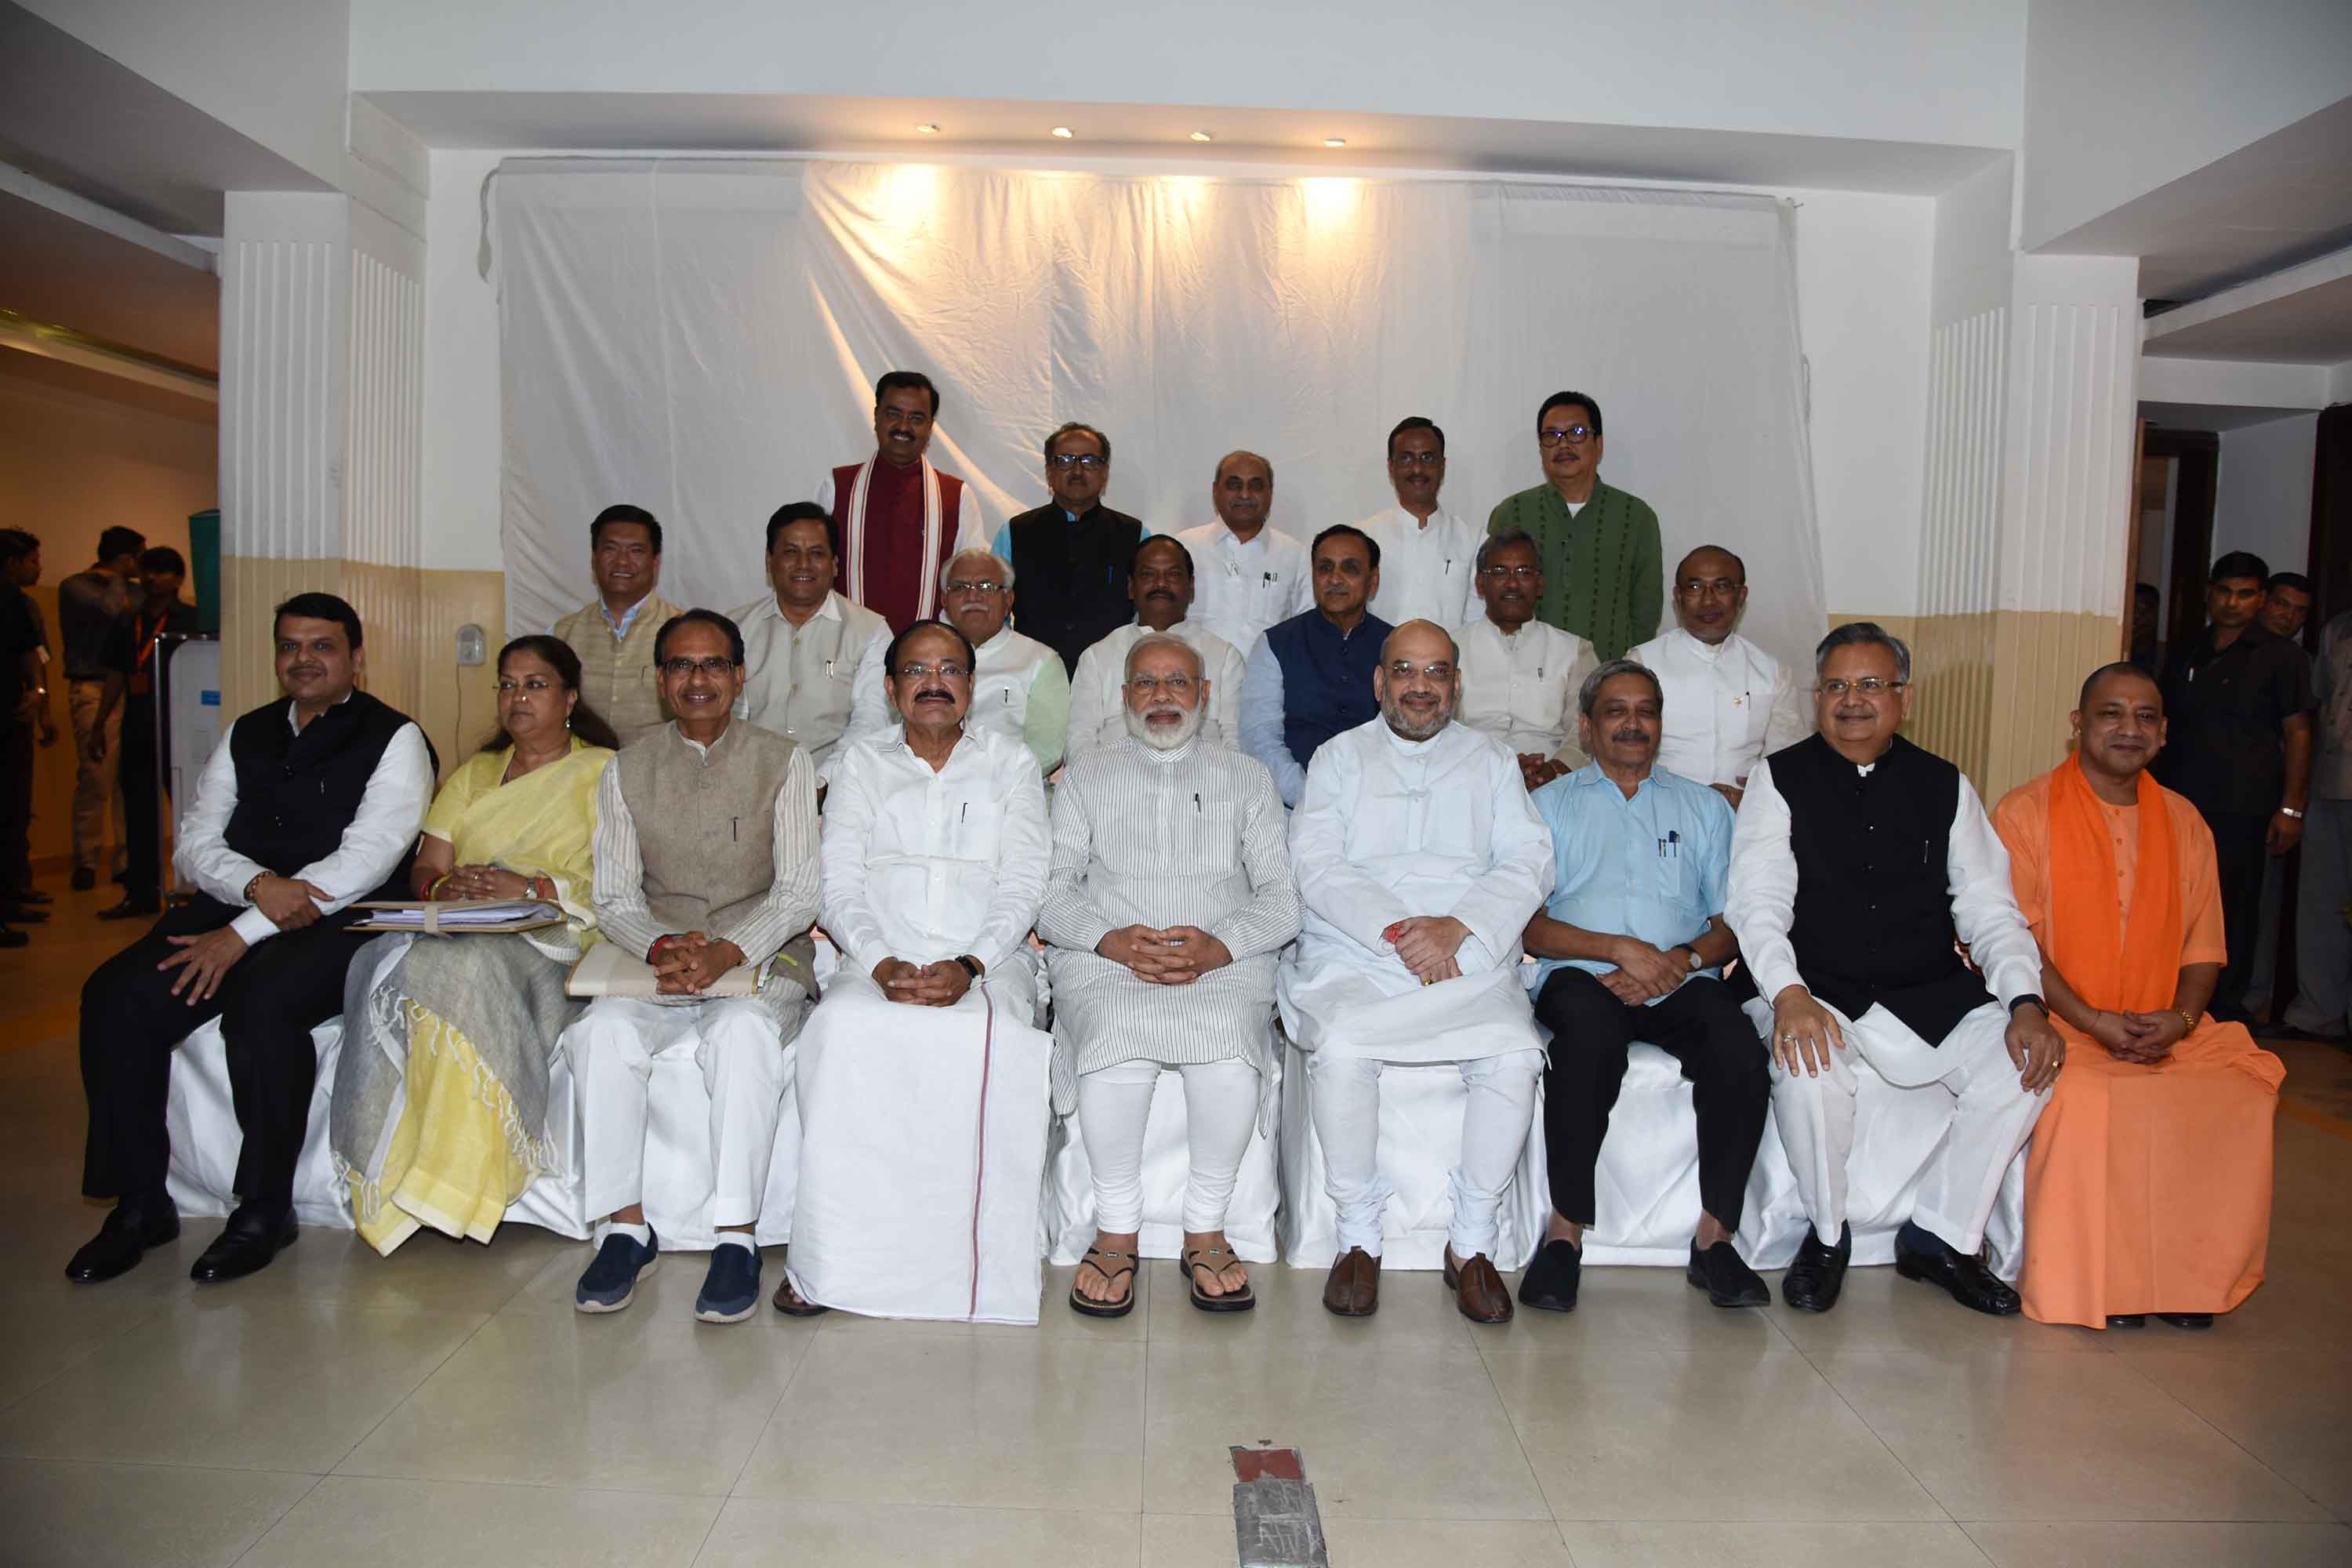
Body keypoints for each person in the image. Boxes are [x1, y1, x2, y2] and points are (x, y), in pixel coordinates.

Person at [68, 593, 433, 1285]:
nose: (305, 660)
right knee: (115, 995)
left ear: (356, 657)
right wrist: (257, 889)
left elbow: (368, 860)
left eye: (322, 646)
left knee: (264, 1004)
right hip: (238, 902)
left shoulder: (396, 737)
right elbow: (196, 842)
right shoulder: (247, 730)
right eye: (291, 646)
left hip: (338, 920)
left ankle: (265, 1207)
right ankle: (143, 1203)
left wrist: (242, 933)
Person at [1726, 622, 2063, 1316]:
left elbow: (1989, 910)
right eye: (1838, 686)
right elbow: (1757, 903)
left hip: (1925, 986)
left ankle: (1941, 1237)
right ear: (1818, 697)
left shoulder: (1945, 784)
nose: (1853, 700)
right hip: (1815, 984)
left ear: (1903, 698)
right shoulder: (1778, 777)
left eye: (1871, 685)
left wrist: (2026, 1001)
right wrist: (1788, 994)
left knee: (2022, 1064)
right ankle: (1825, 1235)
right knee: (1808, 1065)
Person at [1993, 662, 2285, 1330]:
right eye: (2111, 713)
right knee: (2089, 1098)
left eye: (2146, 717)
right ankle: (2112, 1284)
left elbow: (2204, 945)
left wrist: (2180, 1023)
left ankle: (2187, 1281)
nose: (2129, 728)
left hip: (2161, 1025)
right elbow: (2015, 942)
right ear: (2078, 726)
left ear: (2163, 735)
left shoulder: (2184, 820)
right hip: (2060, 1020)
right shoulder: (2025, 811)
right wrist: (2094, 1021)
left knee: (2238, 1093)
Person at [1280, 620, 1556, 1323]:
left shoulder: (1492, 761)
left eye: (1436, 673)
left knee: (1515, 1055)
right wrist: (1405, 935)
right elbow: (1317, 863)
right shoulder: (1338, 759)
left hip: (1466, 950)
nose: (1421, 687)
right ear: (1380, 682)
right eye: (1405, 671)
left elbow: (1528, 861)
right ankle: (1358, 1238)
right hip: (1360, 950)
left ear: (1457, 686)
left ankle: (1470, 1244)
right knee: (1342, 1049)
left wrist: (1456, 930)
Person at [782, 619, 1053, 1322]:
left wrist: (971, 963)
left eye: (950, 670)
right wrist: (878, 962)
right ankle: (827, 1264)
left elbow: (1025, 883)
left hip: (987, 963)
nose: (934, 683)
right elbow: (836, 884)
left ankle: (985, 1271)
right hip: (878, 960)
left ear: (972, 685)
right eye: (917, 671)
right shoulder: (859, 766)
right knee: (839, 1036)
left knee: (1000, 1044)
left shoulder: (1012, 763)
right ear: (890, 687)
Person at [562, 609, 821, 1323]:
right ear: (661, 681)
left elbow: (800, 891)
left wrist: (730, 949)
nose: (697, 680)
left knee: (741, 1036)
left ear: (740, 677)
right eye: (681, 666)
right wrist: (657, 946)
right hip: (660, 956)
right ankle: (624, 1228)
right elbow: (612, 894)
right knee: (599, 1035)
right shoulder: (627, 768)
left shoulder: (784, 759)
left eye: (713, 666)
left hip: (762, 953)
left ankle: (736, 1236)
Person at [332, 636, 620, 1257]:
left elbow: (621, 881)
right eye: (508, 684)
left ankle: (456, 1179)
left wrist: (535, 886)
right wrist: (447, 884)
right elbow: (427, 865)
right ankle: (391, 1174)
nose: (518, 697)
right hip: (463, 921)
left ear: (569, 697)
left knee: (459, 968)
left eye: (535, 684)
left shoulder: (603, 771)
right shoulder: (475, 774)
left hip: (555, 934)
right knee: (375, 961)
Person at [1041, 632, 1300, 1316]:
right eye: (1147, 684)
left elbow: (1280, 897)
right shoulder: (1086, 774)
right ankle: (1117, 1230)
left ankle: (1205, 1228)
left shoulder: (1247, 777)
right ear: (1124, 697)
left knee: (1225, 1057)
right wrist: (1110, 941)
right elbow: (1053, 890)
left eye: (1178, 683)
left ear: (1205, 695)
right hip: (1108, 960)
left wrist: (1220, 947)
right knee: (1113, 1042)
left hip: (1221, 962)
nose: (1163, 698)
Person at [1519, 659, 1769, 1312]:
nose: (1633, 724)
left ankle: (1715, 1240)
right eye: (1616, 711)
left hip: (1680, 978)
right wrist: (1619, 952)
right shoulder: (1546, 807)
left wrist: (1677, 961)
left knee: (1739, 1050)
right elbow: (1528, 926)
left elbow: (1733, 925)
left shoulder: (1706, 807)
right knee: (1589, 1038)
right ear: (1586, 725)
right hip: (1580, 975)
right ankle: (1564, 1236)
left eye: (1646, 711)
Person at [2154, 552, 2314, 1024]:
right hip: (2179, 801)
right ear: (2209, 592)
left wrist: (2293, 808)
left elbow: (2299, 732)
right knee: (2175, 902)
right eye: (2224, 591)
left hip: (2243, 807)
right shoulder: (2189, 649)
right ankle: (2172, 1001)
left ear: (2260, 599)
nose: (2232, 603)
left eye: (2245, 594)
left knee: (2232, 909)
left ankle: (2224, 1012)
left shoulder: (2281, 656)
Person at [1485, 390, 1662, 660]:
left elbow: (1646, 612)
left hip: (1607, 678)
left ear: (1598, 444)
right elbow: (1494, 602)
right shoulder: (1512, 513)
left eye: (1576, 432)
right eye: (1551, 436)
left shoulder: (1635, 517)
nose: (1563, 444)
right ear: (1541, 447)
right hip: (1524, 675)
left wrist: (1624, 674)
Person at [1628, 546, 1809, 810]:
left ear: (1741, 595)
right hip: (1657, 810)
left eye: (1722, 587)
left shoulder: (1771, 672)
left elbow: (1788, 763)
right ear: (1678, 596)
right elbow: (1622, 756)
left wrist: (1753, 801)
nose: (1708, 601)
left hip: (1744, 815)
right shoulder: (1641, 664)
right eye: (1695, 588)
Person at [729, 503, 893, 787]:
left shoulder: (872, 631)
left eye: (816, 553)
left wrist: (819, 783)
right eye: (791, 552)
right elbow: (729, 718)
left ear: (835, 564)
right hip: (747, 788)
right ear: (769, 561)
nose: (803, 564)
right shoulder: (734, 629)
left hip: (839, 791)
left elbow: (871, 722)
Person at [813, 370, 987, 630]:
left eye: (916, 418)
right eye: (893, 414)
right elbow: (814, 573)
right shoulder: (837, 487)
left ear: (930, 427)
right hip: (846, 652)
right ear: (876, 417)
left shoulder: (956, 497)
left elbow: (970, 586)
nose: (903, 427)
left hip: (927, 658)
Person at [1238, 524, 1393, 808]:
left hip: (1380, 806)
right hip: (1292, 808)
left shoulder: (1396, 647)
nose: (1335, 578)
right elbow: (1259, 743)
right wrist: (1312, 799)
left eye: (1350, 568)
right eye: (1325, 568)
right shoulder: (1275, 643)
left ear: (1373, 582)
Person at [1065, 537, 1247, 763]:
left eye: (1173, 575)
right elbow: (1080, 739)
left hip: (1204, 787)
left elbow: (1235, 740)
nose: (1161, 583)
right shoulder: (1096, 656)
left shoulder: (1226, 656)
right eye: (1148, 575)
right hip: (1117, 785)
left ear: (1191, 588)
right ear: (1131, 587)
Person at [90, 549, 199, 921]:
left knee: (190, 808)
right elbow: (116, 675)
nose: (153, 579)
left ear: (178, 578)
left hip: (179, 726)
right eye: (148, 572)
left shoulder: (190, 620)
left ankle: (195, 891)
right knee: (137, 811)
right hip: (138, 725)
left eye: (162, 572)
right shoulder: (129, 621)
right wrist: (100, 724)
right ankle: (140, 894)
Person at [990, 422, 1149, 675]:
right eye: (1064, 460)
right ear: (1049, 472)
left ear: (1104, 472)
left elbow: (1148, 614)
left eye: (1088, 461)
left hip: (1112, 676)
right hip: (1031, 675)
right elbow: (994, 611)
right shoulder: (1014, 533)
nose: (1077, 470)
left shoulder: (1135, 535)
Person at [1454, 528, 1596, 792]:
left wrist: (1554, 770)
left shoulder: (1576, 650)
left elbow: (1586, 729)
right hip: (1470, 781)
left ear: (1540, 584)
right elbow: (1444, 728)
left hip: (1555, 784)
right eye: (1499, 572)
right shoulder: (1450, 648)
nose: (1512, 583)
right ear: (1480, 584)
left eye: (1524, 573)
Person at [924, 548, 1070, 776]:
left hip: (1007, 791)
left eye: (986, 587)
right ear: (944, 599)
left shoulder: (1039, 660)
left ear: (1008, 600)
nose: (973, 597)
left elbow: (1047, 751)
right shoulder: (919, 654)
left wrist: (981, 781)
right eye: (960, 587)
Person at [550, 504, 682, 743]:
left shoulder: (683, 631)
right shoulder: (562, 634)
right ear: (594, 558)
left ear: (655, 562)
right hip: (583, 773)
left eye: (636, 551)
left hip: (659, 770)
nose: (622, 561)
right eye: (610, 549)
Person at [57, 524, 143, 890]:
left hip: (131, 689)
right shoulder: (76, 587)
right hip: (92, 687)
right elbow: (116, 611)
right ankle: (87, 860)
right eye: (138, 557)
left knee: (129, 781)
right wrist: (117, 580)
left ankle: (125, 860)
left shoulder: (137, 591)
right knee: (96, 777)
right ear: (124, 558)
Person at [2284, 606, 2351, 1038]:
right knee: (2322, 905)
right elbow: (2321, 703)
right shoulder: (2338, 628)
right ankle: (2319, 1013)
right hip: (2330, 783)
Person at [1173, 452, 1313, 654]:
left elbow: (1305, 629)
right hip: (1195, 679)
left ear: (1270, 493)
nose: (1245, 495)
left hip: (1267, 682)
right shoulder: (1184, 546)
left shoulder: (1295, 554)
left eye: (1256, 486)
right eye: (1234, 485)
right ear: (1215, 491)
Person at [1360, 417, 1479, 630]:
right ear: (1391, 467)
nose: (1417, 469)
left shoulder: (1473, 540)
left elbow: (1475, 625)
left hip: (1452, 662)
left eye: (1427, 458)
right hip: (1379, 661)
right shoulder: (1364, 538)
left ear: (1442, 466)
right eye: (1406, 459)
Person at [0, 528, 56, 930]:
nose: (38, 568)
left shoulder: (21, 603)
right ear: (12, 564)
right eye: (32, 561)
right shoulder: (12, 601)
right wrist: (37, 696)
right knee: (10, 809)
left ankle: (14, 893)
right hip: (11, 716)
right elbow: (30, 656)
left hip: (13, 715)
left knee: (15, 811)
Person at [2260, 572, 2313, 643]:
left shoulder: (2296, 653)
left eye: (2300, 610)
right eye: (2281, 604)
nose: (2290, 616)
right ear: (2262, 600)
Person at [2129, 582, 2164, 675]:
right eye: (2132, 609)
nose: (2135, 616)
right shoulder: (2120, 647)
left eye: (2141, 609)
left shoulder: (2163, 655)